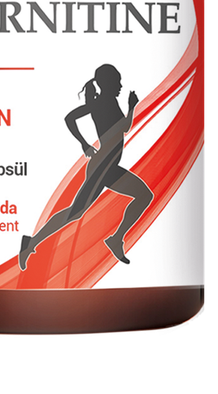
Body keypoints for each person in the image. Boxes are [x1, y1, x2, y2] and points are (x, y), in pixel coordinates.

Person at [19, 64, 154, 271]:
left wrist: (84, 143)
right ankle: (31, 242)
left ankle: (115, 239)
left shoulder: (103, 102)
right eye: (117, 82)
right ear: (108, 83)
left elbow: (72, 118)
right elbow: (124, 128)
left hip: (106, 166)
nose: (120, 86)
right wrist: (131, 107)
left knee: (80, 211)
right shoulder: (107, 102)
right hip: (103, 168)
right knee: (77, 211)